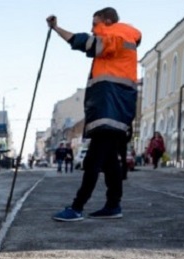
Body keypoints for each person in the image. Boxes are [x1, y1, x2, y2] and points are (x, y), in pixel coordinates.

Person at [48, 8, 141, 221]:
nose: (92, 29)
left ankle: (77, 208)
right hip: (118, 110)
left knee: (92, 161)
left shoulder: (115, 35)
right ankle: (113, 205)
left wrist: (56, 29)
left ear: (107, 21)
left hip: (109, 109)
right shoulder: (125, 37)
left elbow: (84, 42)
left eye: (95, 23)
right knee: (110, 162)